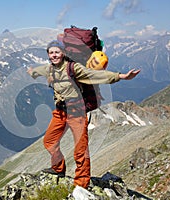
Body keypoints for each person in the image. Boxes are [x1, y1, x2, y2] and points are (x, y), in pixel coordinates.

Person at [27, 40, 140, 189]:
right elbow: (37, 70)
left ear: (63, 53)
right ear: (48, 55)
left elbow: (95, 75)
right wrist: (30, 71)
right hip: (60, 112)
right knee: (49, 141)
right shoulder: (49, 69)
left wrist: (121, 76)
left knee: (80, 149)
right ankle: (58, 168)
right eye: (51, 52)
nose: (54, 55)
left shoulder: (74, 68)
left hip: (76, 112)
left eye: (57, 52)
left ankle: (81, 183)